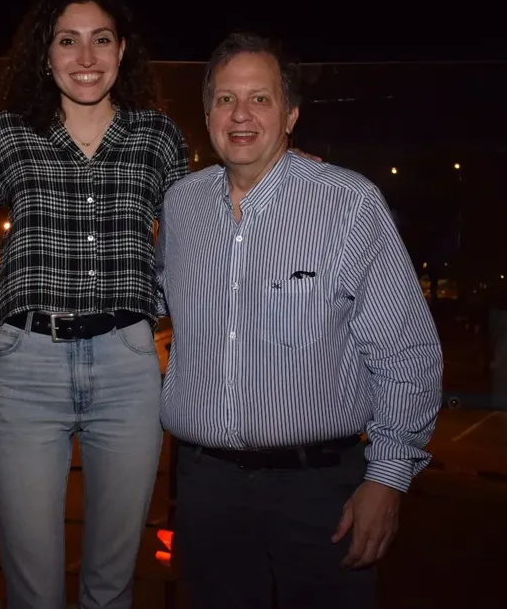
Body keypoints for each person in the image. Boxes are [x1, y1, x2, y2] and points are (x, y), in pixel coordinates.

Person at [156, 32, 443, 609]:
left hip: (319, 493)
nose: (240, 115)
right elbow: (158, 306)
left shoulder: (348, 203)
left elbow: (406, 351)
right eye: (225, 99)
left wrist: (387, 480)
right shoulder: (180, 206)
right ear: (207, 112)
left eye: (259, 99)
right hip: (206, 488)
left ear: (290, 115)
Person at [0, 0, 189, 609]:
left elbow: (196, 243)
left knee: (112, 582)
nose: (86, 59)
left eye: (101, 40)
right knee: (30, 586)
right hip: (26, 364)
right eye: (68, 41)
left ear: (122, 51)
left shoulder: (158, 138)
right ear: (46, 53)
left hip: (127, 365)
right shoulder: (9, 134)